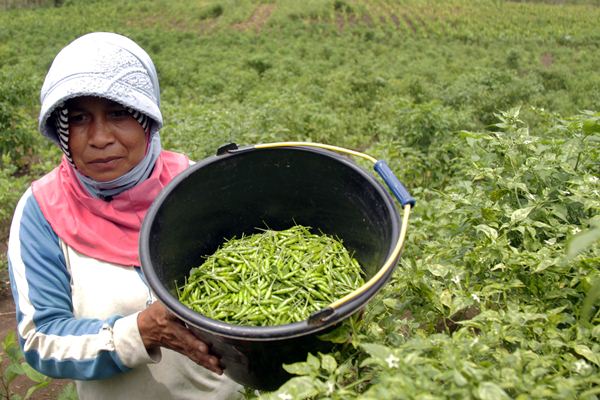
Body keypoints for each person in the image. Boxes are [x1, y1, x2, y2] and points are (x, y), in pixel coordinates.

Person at [7, 32, 243, 399]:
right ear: (61, 130)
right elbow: (41, 340)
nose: (99, 137)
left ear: (146, 119)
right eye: (80, 118)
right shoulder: (43, 212)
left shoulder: (193, 187)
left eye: (118, 113)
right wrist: (139, 332)